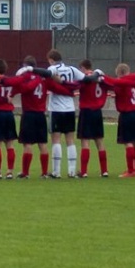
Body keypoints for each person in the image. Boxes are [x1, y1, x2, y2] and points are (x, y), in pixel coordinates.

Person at [0, 56, 71, 178]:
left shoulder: (26, 76)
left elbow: (20, 85)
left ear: (25, 66)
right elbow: (57, 88)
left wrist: (9, 88)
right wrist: (69, 92)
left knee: (27, 144)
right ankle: (44, 172)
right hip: (41, 115)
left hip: (29, 114)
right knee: (42, 144)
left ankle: (25, 172)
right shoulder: (44, 78)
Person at [102, 63, 135, 178]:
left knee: (128, 142)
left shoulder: (120, 84)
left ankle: (130, 170)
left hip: (126, 115)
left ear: (119, 73)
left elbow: (110, 84)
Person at [46, 49, 84, 178]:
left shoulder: (52, 69)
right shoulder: (72, 69)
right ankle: (72, 171)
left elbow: (47, 79)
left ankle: (56, 172)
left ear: (51, 60)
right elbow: (83, 79)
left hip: (56, 109)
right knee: (70, 140)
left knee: (56, 139)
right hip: (70, 108)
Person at [74, 60, 109, 178]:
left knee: (85, 141)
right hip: (97, 112)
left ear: (82, 68)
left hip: (86, 111)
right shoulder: (100, 78)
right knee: (100, 141)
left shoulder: (85, 78)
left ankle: (84, 172)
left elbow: (77, 86)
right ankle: (104, 171)